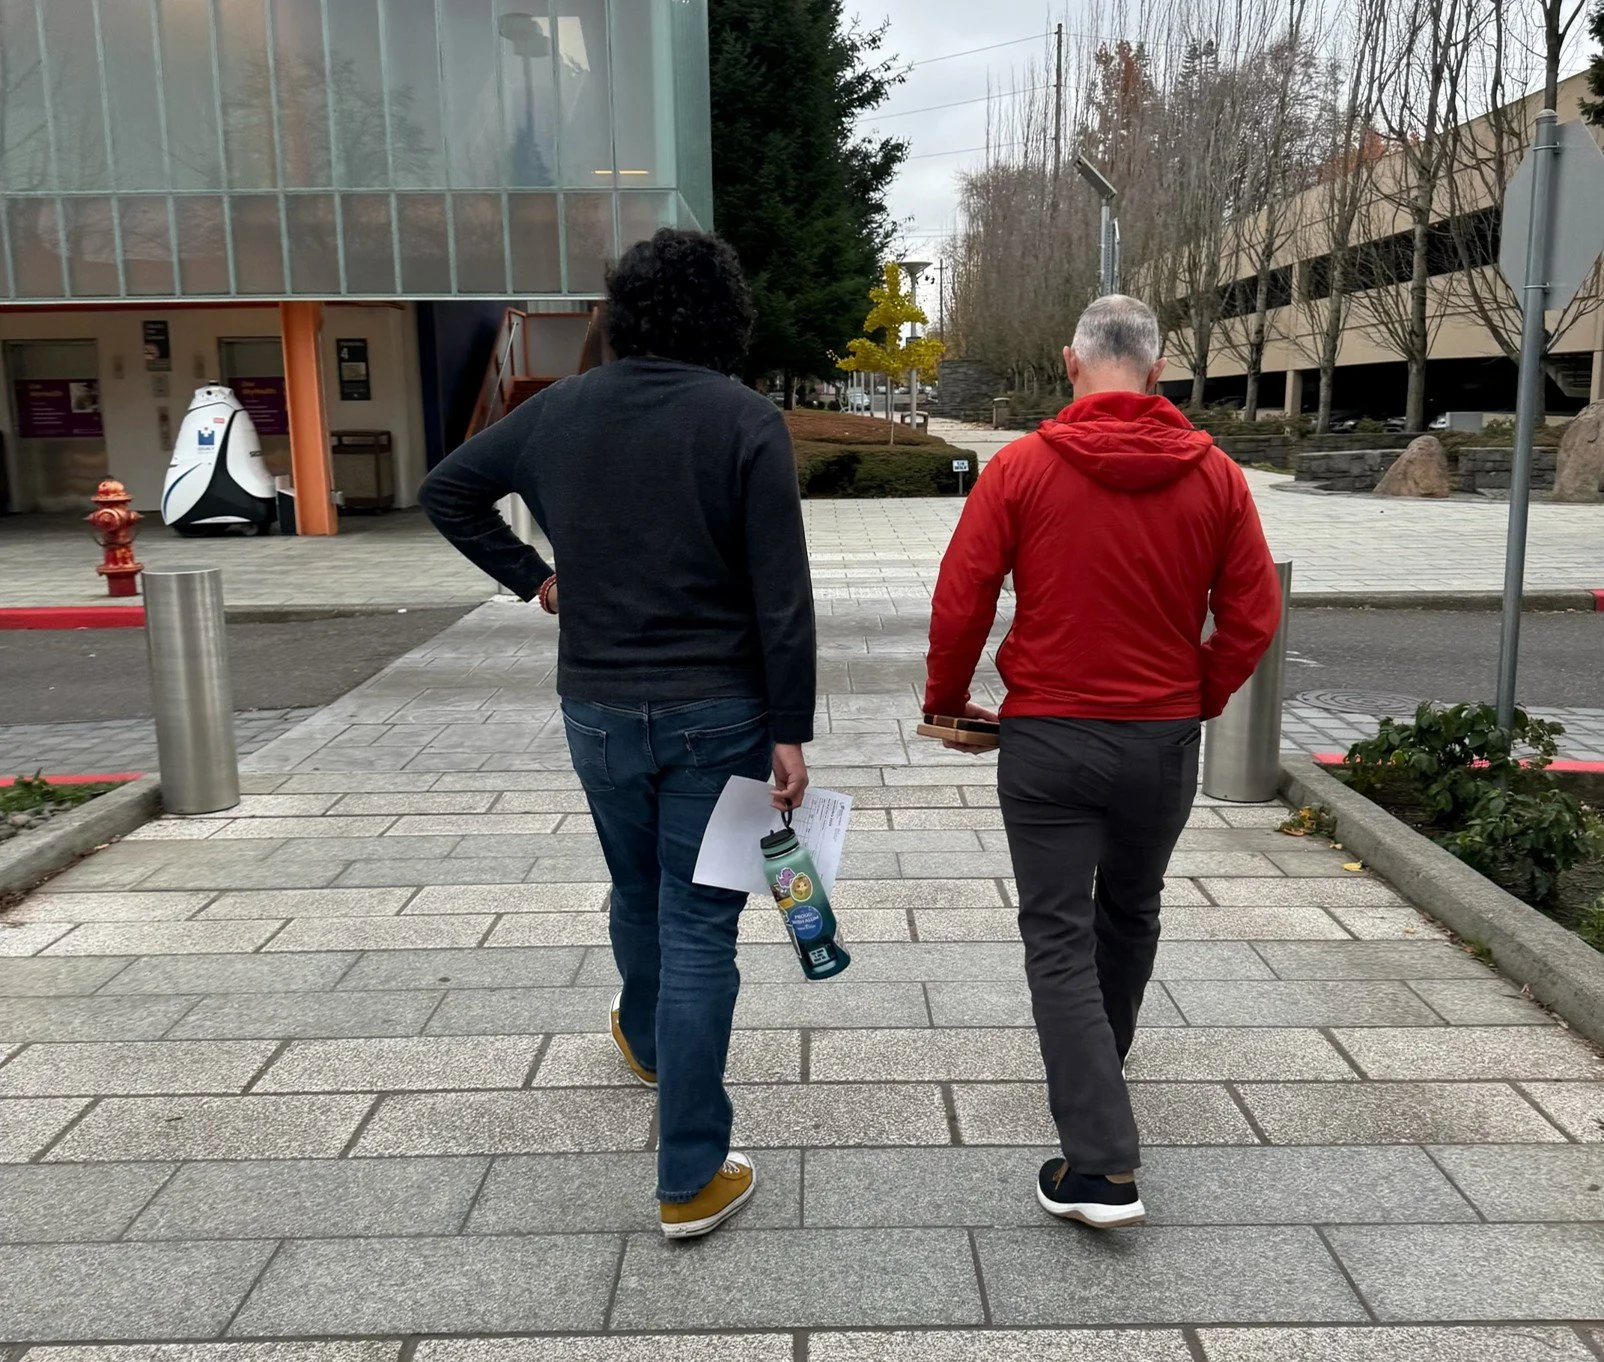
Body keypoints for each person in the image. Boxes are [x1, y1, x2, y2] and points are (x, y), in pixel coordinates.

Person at [419, 228, 815, 1239]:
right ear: (724, 316)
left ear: (623, 311)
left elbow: (447, 490)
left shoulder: (557, 411)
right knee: (700, 923)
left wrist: (536, 580)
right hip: (719, 711)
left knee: (636, 885)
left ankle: (645, 1038)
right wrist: (789, 730)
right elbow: (781, 595)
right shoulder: (744, 420)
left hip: (595, 706)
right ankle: (690, 1174)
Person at [923, 294, 1282, 1228]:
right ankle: (1099, 1066)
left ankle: (1101, 1165)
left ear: (1070, 362)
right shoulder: (1217, 477)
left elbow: (963, 596)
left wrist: (947, 699)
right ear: (1158, 372)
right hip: (1161, 738)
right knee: (1132, 908)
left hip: (1047, 736)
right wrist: (1198, 695)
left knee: (1056, 933)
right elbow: (1254, 614)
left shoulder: (1021, 468)